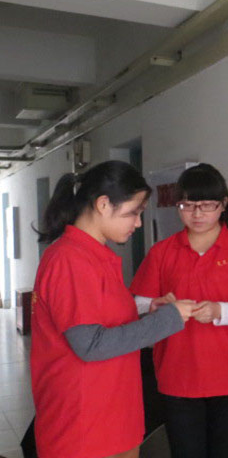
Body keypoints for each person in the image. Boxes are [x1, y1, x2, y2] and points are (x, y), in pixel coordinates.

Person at [31, 160, 196, 458]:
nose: (138, 223)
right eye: (133, 212)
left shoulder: (95, 256)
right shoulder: (69, 259)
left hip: (112, 419)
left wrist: (149, 313)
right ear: (103, 204)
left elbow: (102, 321)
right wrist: (167, 320)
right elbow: (91, 345)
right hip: (83, 429)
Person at [130, 163, 228, 458]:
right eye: (187, 205)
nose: (197, 214)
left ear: (223, 205)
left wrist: (219, 311)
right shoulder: (162, 252)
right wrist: (156, 306)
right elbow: (138, 304)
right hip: (177, 377)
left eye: (207, 205)